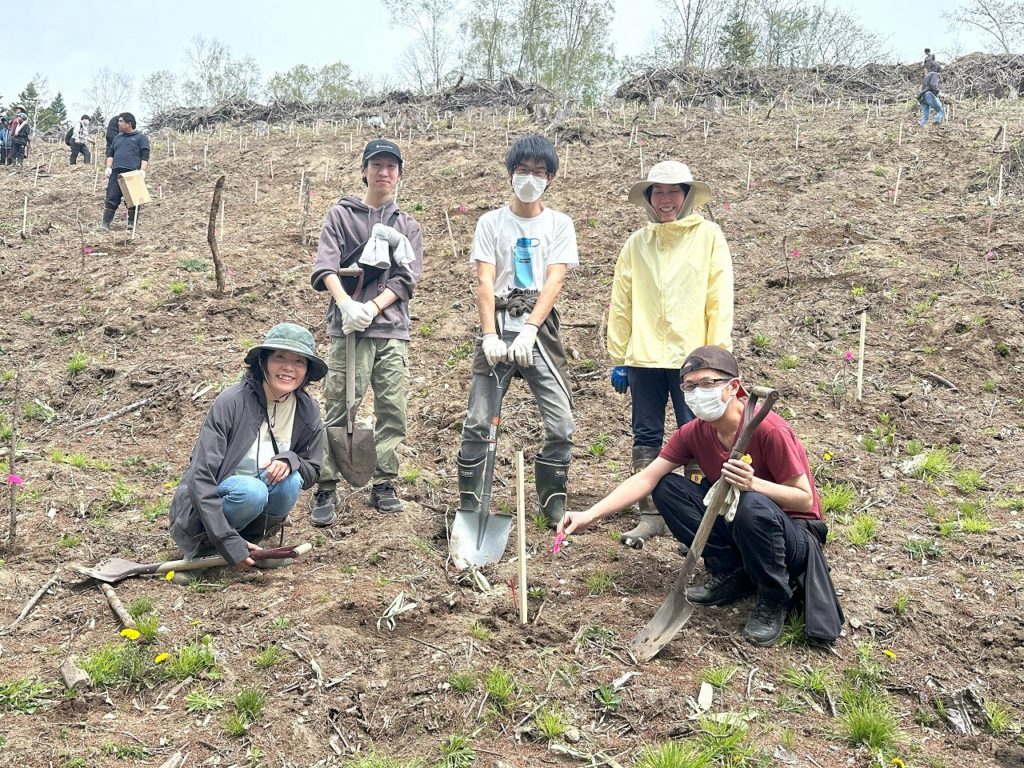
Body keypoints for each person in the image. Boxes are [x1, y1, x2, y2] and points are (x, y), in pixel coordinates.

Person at [559, 346, 832, 647]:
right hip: (740, 523)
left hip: (793, 536)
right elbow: (646, 478)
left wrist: (754, 484)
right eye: (689, 386)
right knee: (666, 487)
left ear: (733, 387)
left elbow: (804, 500)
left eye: (706, 383)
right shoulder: (695, 432)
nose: (697, 392)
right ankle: (733, 572)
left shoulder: (769, 429)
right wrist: (591, 514)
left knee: (751, 503)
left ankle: (773, 595)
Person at [455, 134, 578, 530]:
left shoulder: (559, 224)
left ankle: (553, 501)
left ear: (550, 178)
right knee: (479, 420)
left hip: (539, 329)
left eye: (538, 172)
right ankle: (471, 504)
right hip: (498, 320)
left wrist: (529, 330)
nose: (530, 178)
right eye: (522, 170)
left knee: (561, 423)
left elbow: (555, 280)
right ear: (510, 174)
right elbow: (484, 280)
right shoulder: (491, 223)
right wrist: (489, 335)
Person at [609, 161, 734, 549]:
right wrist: (619, 355)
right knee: (646, 434)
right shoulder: (637, 244)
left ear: (687, 195)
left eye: (673, 192)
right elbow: (622, 300)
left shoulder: (708, 236)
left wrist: (716, 356)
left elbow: (719, 295)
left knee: (698, 434)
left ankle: (698, 517)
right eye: (658, 192)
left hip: (693, 360)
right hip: (645, 356)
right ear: (649, 199)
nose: (666, 200)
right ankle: (650, 514)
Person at [309, 139, 424, 525]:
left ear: (399, 174)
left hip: (391, 330)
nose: (384, 173)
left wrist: (372, 308)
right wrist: (346, 305)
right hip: (348, 330)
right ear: (364, 170)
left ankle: (384, 480)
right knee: (340, 404)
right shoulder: (341, 216)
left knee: (392, 407)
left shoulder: (407, 226)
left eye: (391, 167)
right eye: (377, 165)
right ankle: (327, 485)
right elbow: (326, 267)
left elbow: (406, 279)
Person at [169, 323, 327, 567]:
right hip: (211, 508)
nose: (289, 368)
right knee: (252, 491)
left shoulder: (307, 409)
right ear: (262, 361)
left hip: (255, 499)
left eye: (299, 361)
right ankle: (204, 550)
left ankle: (253, 545)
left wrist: (290, 459)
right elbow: (200, 477)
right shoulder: (232, 402)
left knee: (290, 480)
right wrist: (226, 539)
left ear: (307, 370)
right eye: (280, 357)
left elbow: (312, 471)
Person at [101, 112, 150, 231]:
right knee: (111, 198)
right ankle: (105, 224)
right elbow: (111, 154)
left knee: (133, 199)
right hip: (116, 172)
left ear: (129, 123)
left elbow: (145, 155)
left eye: (121, 121)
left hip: (132, 173)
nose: (118, 124)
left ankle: (131, 224)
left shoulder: (141, 138)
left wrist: (142, 170)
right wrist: (108, 167)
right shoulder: (117, 138)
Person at [919, 61, 944, 127]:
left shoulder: (926, 76)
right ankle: (936, 123)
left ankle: (922, 126)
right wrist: (938, 92)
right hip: (929, 94)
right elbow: (933, 84)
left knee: (925, 116)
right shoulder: (935, 74)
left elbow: (922, 87)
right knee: (940, 110)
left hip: (922, 96)